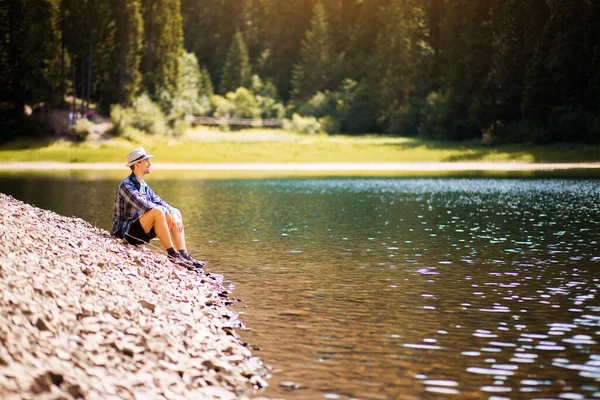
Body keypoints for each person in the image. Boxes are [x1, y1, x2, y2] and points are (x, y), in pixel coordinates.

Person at [110, 147, 205, 270]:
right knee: (158, 211)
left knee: (175, 211)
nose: (150, 164)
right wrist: (168, 214)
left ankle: (183, 254)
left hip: (140, 231)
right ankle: (172, 254)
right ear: (137, 164)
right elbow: (146, 206)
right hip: (124, 233)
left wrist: (173, 213)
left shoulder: (143, 185)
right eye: (146, 161)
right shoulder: (126, 185)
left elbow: (158, 201)